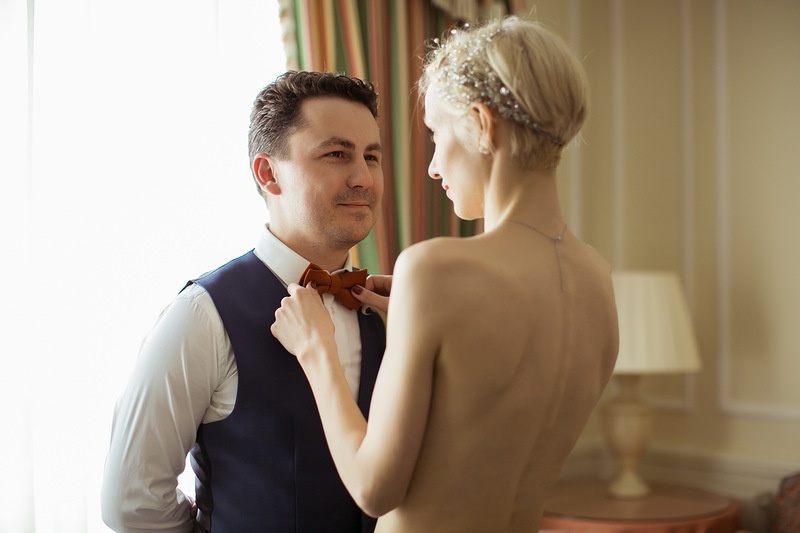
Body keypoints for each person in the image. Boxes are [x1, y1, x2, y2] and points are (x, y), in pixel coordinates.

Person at [271, 16, 619, 532]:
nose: (433, 166)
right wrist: (421, 314)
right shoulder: (598, 280)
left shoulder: (433, 270)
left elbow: (373, 488)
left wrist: (316, 349)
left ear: (481, 125)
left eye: (436, 134)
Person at [101, 71, 387, 532]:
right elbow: (132, 503)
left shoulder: (387, 309)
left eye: (371, 156)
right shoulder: (201, 314)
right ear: (268, 173)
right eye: (337, 154)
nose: (363, 177)